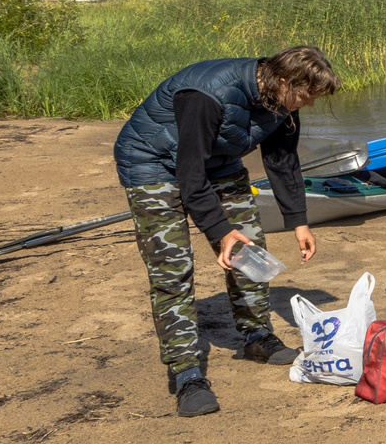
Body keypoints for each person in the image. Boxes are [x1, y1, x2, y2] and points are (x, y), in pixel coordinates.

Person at [112, 47, 340, 416]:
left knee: (252, 250)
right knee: (173, 270)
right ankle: (186, 372)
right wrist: (221, 231)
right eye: (306, 95)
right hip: (151, 164)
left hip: (216, 162)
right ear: (283, 80)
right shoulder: (206, 95)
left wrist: (299, 221)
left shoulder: (282, 102)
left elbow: (282, 160)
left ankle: (256, 336)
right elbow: (190, 175)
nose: (310, 103)